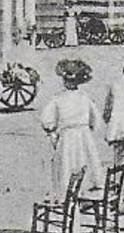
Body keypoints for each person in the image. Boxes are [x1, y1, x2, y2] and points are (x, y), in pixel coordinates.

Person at [39, 58, 104, 200]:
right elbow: (96, 120)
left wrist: (52, 130)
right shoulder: (85, 97)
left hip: (67, 136)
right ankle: (83, 193)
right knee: (85, 161)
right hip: (84, 136)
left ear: (64, 81)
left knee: (67, 164)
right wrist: (87, 129)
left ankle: (66, 195)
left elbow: (46, 120)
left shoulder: (57, 98)